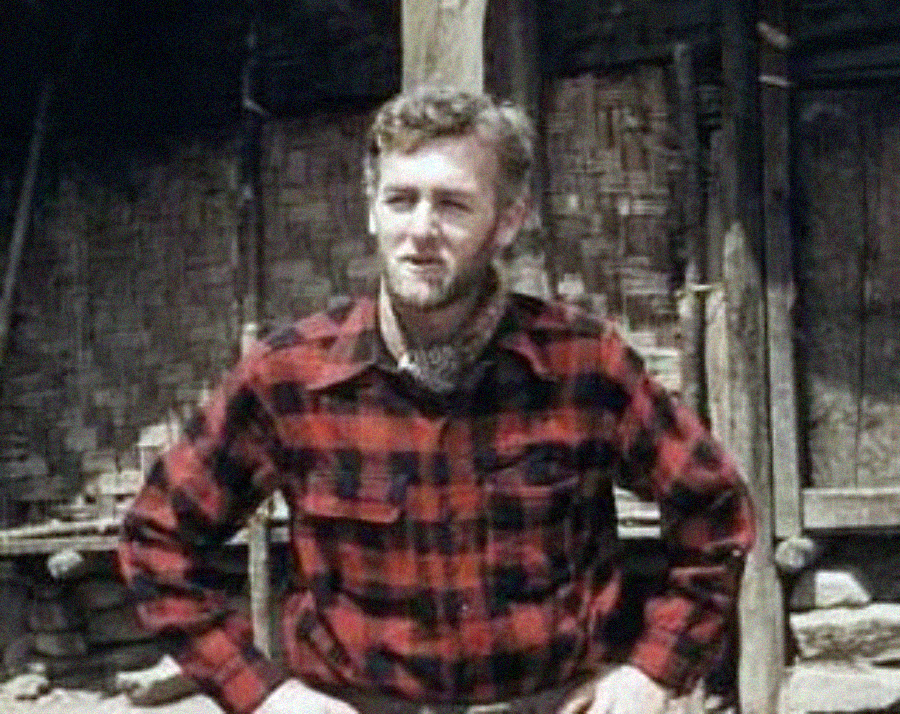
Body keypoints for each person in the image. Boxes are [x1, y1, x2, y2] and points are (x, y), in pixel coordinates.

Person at [119, 86, 754, 714]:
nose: (421, 231)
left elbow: (716, 511)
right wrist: (266, 696)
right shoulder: (288, 377)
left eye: (452, 205)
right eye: (400, 200)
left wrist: (651, 672)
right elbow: (157, 540)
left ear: (507, 221)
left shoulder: (585, 365)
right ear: (372, 211)